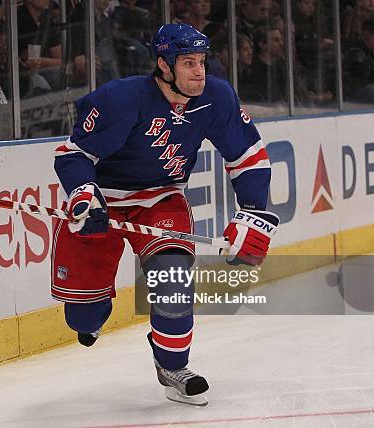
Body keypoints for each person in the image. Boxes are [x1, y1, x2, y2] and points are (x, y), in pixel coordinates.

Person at [51, 23, 278, 406]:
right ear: (163, 65)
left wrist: (253, 212)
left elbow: (248, 157)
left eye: (202, 61)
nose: (199, 71)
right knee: (83, 319)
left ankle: (173, 366)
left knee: (173, 281)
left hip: (160, 201)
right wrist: (83, 195)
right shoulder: (120, 99)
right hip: (101, 203)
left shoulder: (216, 98)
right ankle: (92, 314)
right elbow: (73, 155)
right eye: (188, 62)